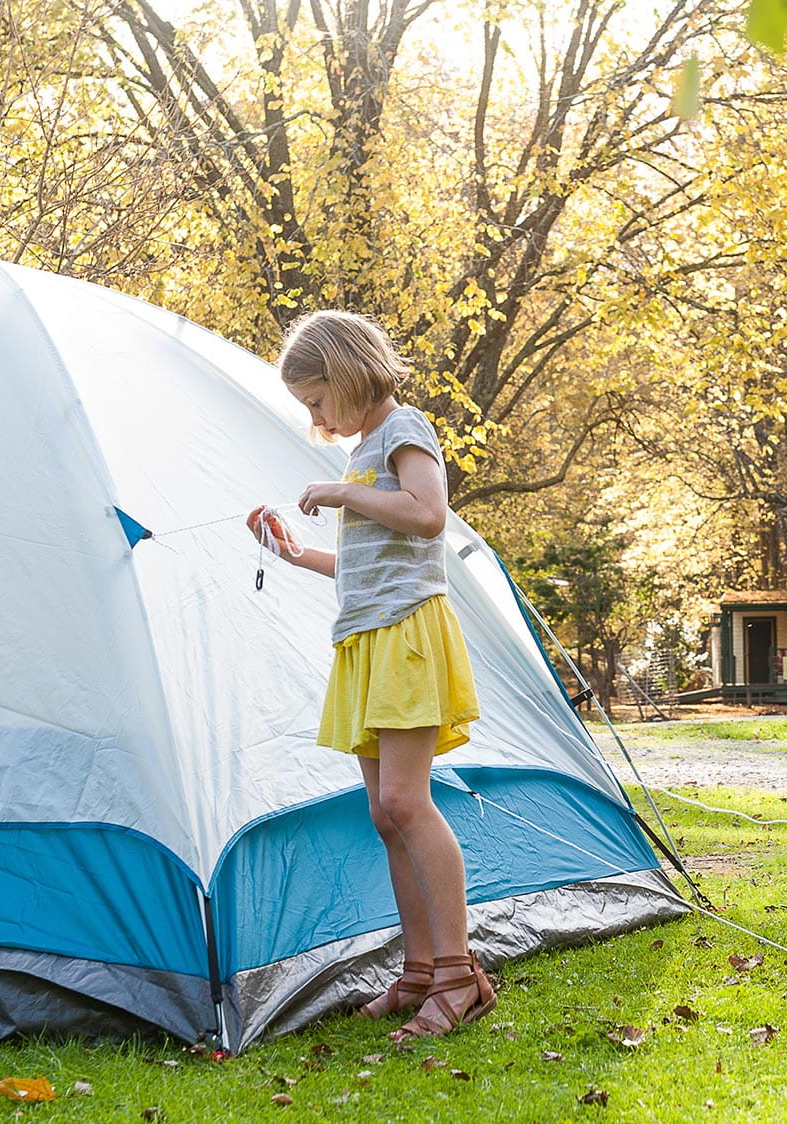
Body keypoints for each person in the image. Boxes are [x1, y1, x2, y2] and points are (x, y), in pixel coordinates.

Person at [247, 310, 493, 1041]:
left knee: (407, 803)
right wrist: (296, 556)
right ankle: (419, 970)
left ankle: (457, 974)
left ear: (349, 374)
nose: (317, 418)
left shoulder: (404, 429)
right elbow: (364, 566)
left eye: (319, 400)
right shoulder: (362, 452)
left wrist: (345, 493)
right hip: (365, 640)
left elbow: (428, 516)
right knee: (385, 816)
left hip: (409, 635)